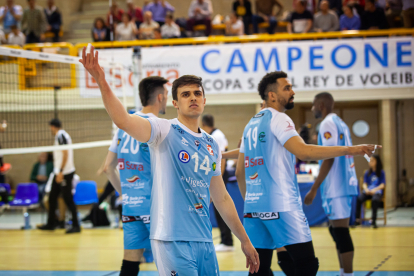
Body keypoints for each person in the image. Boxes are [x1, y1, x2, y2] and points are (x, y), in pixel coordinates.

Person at [79, 46, 260, 275]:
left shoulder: (211, 144)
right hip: (171, 239)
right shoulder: (164, 129)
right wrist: (101, 81)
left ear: (204, 100)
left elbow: (222, 197)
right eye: (185, 94)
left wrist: (244, 239)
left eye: (197, 93)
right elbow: (123, 120)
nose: (192, 98)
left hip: (203, 239)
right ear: (174, 103)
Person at [234, 71, 378, 276]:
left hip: (253, 208)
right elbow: (304, 151)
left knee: (260, 268)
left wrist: (250, 201)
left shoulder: (250, 125)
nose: (293, 92)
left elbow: (240, 172)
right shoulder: (280, 119)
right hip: (282, 205)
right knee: (307, 265)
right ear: (272, 96)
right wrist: (350, 149)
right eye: (287, 88)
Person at [103, 76, 169, 276]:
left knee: (130, 264)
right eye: (166, 95)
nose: (166, 99)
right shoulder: (159, 126)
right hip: (156, 207)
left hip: (131, 205)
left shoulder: (123, 128)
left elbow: (108, 167)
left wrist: (126, 193)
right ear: (160, 97)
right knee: (170, 264)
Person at [304, 92, 359, 276]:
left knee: (341, 232)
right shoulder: (340, 122)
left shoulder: (327, 123)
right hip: (341, 183)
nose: (312, 109)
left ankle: (348, 273)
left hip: (337, 185)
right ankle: (344, 271)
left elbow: (329, 158)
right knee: (335, 231)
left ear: (321, 105)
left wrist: (313, 188)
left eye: (313, 105)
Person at [37, 119, 80, 234]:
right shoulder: (59, 136)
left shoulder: (61, 135)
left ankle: (76, 225)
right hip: (59, 172)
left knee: (68, 199)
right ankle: (51, 223)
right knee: (52, 197)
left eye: (50, 127)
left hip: (65, 173)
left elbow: (65, 153)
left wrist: (61, 172)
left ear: (53, 126)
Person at [201, 114, 234, 252]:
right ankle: (225, 239)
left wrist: (217, 178)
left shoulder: (217, 136)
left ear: (204, 125)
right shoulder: (216, 134)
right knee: (217, 208)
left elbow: (222, 158)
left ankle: (227, 241)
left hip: (219, 175)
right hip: (216, 175)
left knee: (220, 207)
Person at [356, 155, 385, 229]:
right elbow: (364, 183)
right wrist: (366, 189)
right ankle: (357, 220)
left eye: (372, 161)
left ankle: (373, 221)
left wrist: (374, 190)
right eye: (370, 160)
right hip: (368, 192)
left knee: (374, 200)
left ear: (376, 162)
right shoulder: (367, 172)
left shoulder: (381, 172)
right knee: (359, 199)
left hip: (377, 192)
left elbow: (382, 185)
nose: (370, 162)